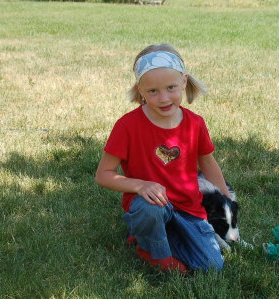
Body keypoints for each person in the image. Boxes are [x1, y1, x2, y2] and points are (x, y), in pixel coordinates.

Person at [95, 43, 232, 273]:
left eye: (171, 87)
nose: (164, 98)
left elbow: (208, 163)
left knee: (212, 267)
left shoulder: (195, 123)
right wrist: (140, 185)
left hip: (188, 210)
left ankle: (159, 235)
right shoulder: (127, 126)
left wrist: (227, 201)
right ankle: (152, 251)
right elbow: (103, 175)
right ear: (140, 89)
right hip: (150, 204)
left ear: (184, 82)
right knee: (152, 210)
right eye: (153, 91)